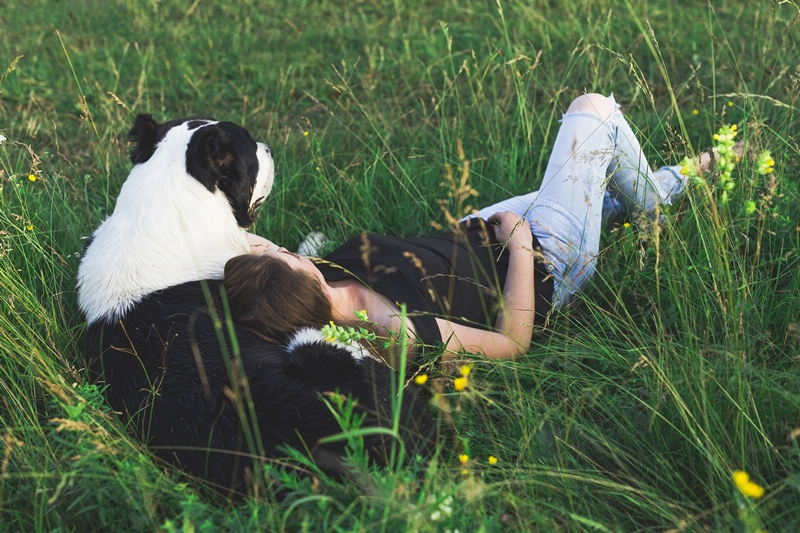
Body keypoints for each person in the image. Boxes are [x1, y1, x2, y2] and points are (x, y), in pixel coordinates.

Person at [226, 94, 719, 363]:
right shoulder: (394, 332)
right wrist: (521, 246)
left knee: (603, 191)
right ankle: (658, 213)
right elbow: (512, 344)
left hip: (481, 229)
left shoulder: (310, 283)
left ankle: (696, 173)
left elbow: (243, 246)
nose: (273, 243)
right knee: (596, 114)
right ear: (301, 282)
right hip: (545, 257)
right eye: (279, 253)